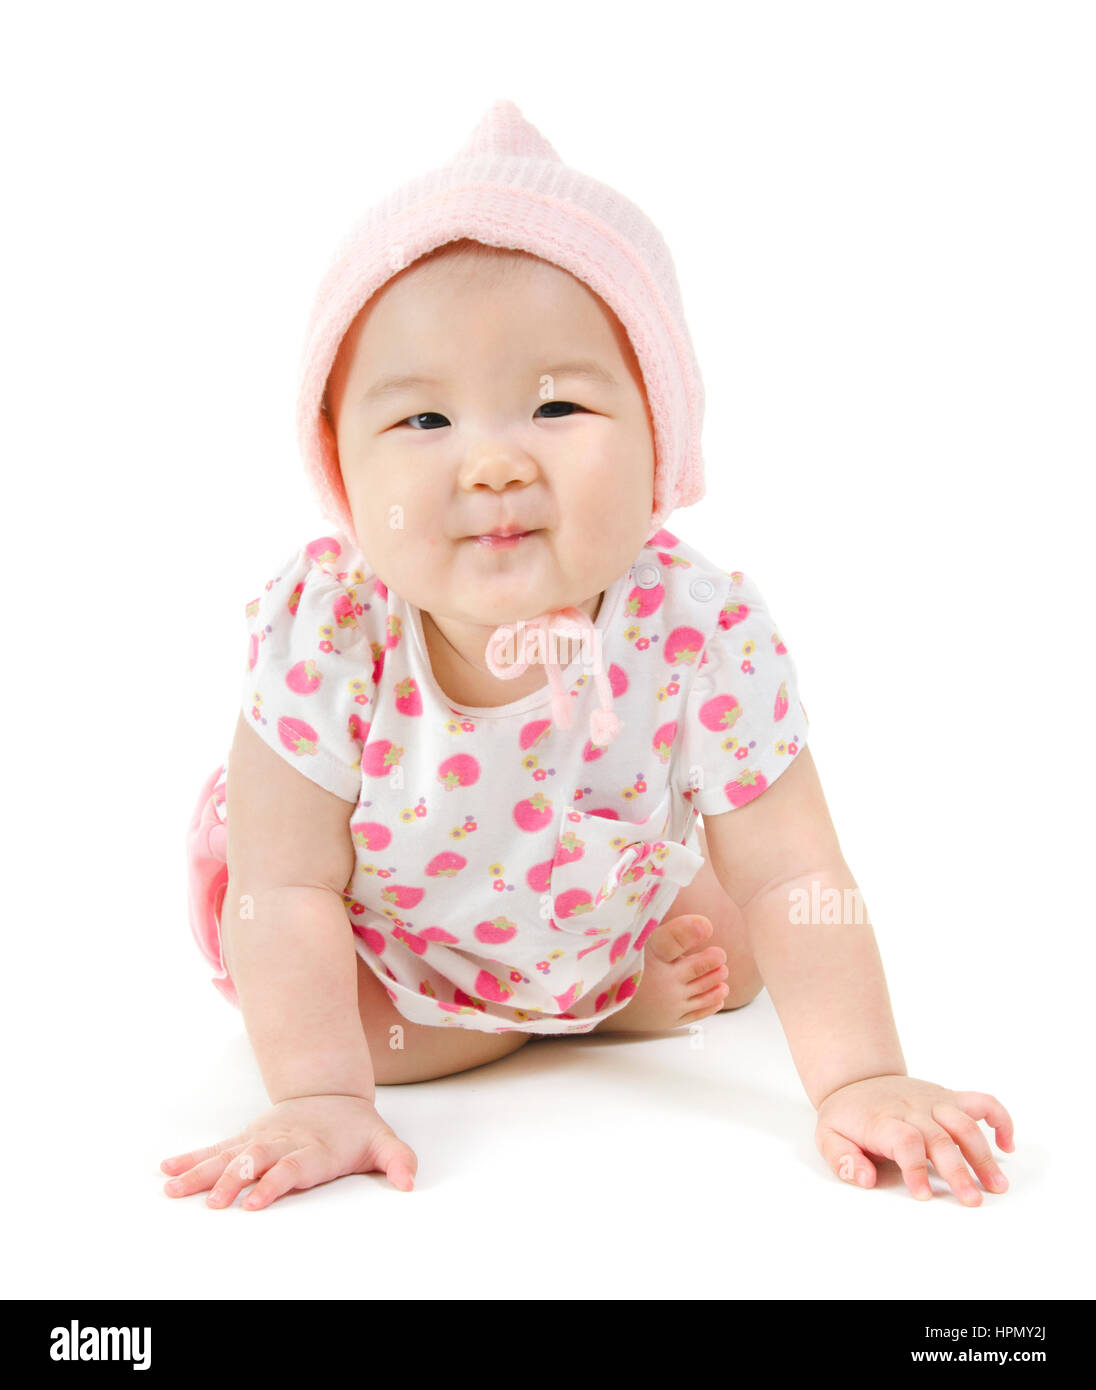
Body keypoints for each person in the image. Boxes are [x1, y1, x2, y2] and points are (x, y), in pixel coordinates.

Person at [169, 99, 1014, 1212]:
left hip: (580, 889)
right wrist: (322, 1096)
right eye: (424, 422)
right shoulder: (328, 632)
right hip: (383, 945)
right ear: (340, 465)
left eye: (556, 404)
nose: (492, 465)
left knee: (744, 940)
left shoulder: (699, 630)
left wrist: (862, 1072)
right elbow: (282, 889)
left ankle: (601, 988)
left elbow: (800, 874)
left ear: (662, 440)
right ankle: (573, 1010)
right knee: (382, 1043)